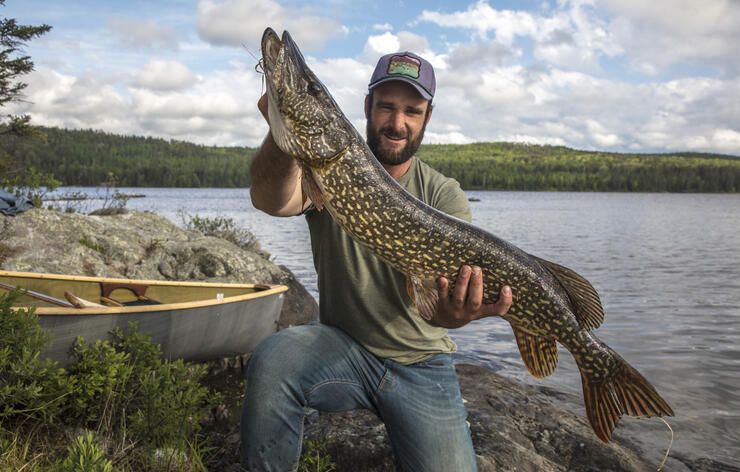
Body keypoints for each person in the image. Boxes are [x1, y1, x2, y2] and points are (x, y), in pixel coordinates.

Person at [241, 51, 513, 471]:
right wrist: (283, 134)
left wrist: (456, 314)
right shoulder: (327, 168)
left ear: (427, 117)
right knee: (273, 359)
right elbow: (269, 199)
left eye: (412, 110)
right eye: (387, 106)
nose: (397, 122)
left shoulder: (444, 196)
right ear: (367, 107)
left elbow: (441, 311)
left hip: (424, 364)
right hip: (342, 350)